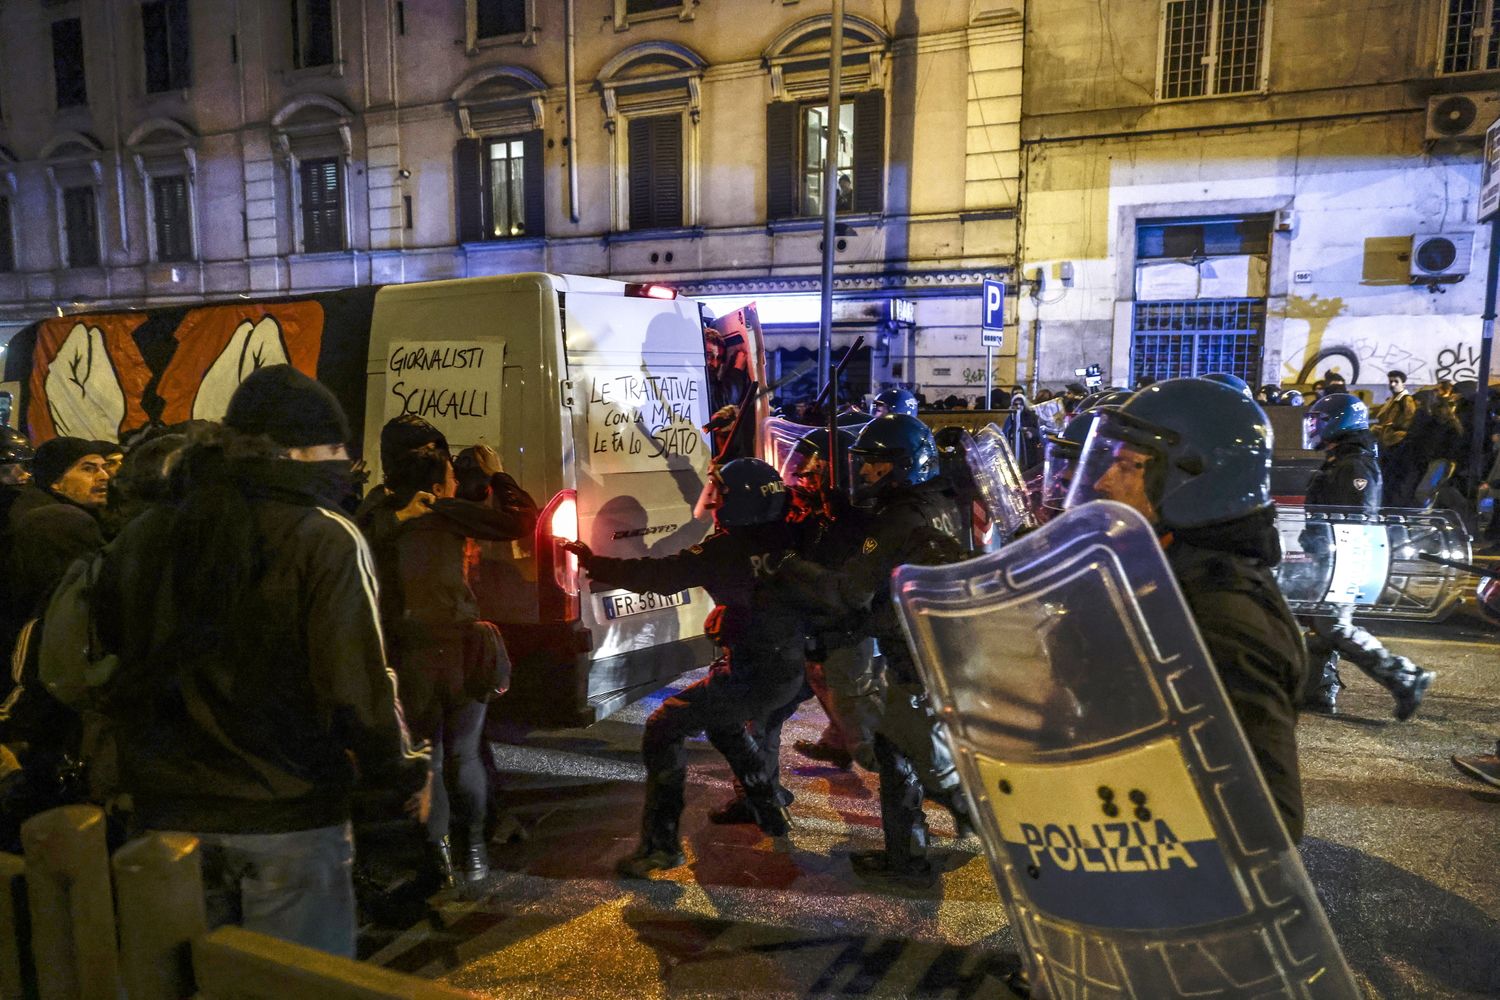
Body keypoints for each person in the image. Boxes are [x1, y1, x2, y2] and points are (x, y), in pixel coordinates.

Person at [91, 365, 430, 958]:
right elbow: (357, 685)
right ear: (298, 452)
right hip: (286, 814)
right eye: (336, 450)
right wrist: (402, 774)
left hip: (164, 815)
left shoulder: (145, 533)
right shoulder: (322, 536)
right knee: (296, 983)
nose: (344, 465)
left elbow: (113, 649)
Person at [1064, 378, 1308, 841]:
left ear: (1192, 480)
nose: (1101, 481)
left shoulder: (1220, 616)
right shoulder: (1171, 572)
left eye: (1126, 466)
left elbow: (1270, 817)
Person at [565, 459, 805, 878]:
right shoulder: (796, 537)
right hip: (790, 668)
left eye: (721, 494)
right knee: (724, 721)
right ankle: (767, 811)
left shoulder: (724, 550)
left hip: (754, 670)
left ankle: (661, 847)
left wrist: (596, 562)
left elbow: (660, 573)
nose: (713, 502)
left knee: (664, 726)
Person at [776, 415, 972, 883]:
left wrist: (788, 566)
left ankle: (983, 820)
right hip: (931, 645)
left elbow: (848, 590)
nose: (864, 473)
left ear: (903, 465)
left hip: (915, 654)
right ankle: (906, 853)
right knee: (890, 749)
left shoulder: (898, 519)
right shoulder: (941, 500)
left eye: (876, 465)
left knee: (924, 758)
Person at [368, 441, 534, 887]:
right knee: (463, 755)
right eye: (451, 476)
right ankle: (475, 852)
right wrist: (498, 475)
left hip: (410, 651)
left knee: (431, 759)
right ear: (438, 484)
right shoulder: (446, 512)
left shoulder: (376, 519)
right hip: (459, 648)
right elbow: (523, 521)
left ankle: (439, 861)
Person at [1299, 394, 1435, 719]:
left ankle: (1404, 676)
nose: (1314, 427)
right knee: (1322, 624)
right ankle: (1316, 692)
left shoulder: (1355, 463)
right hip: (1333, 553)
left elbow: (1355, 518)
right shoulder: (1344, 459)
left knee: (1334, 625)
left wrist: (1328, 545)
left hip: (1346, 555)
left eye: (1320, 421)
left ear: (1340, 422)